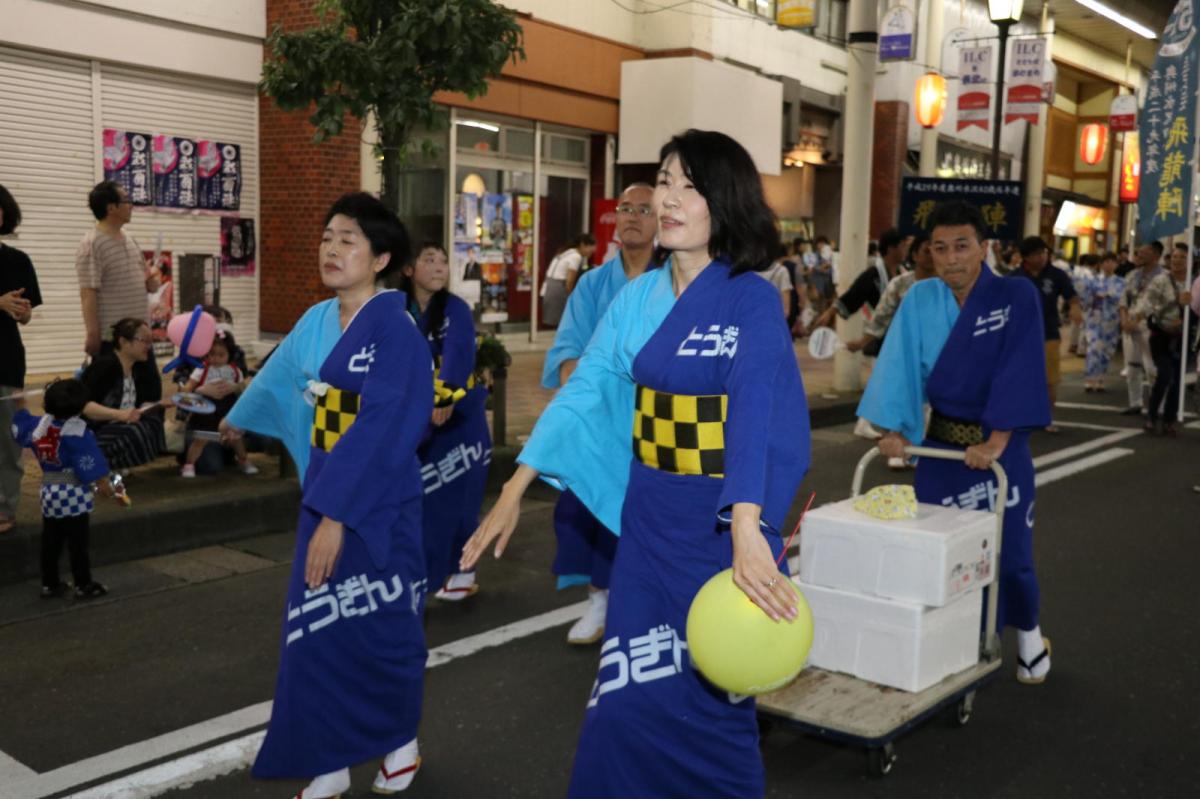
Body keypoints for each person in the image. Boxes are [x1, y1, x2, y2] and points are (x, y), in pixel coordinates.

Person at [462, 129, 811, 797]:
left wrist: (746, 527)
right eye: (665, 183)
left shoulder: (750, 297)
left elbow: (756, 411)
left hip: (721, 526)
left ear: (725, 202)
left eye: (690, 187)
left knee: (718, 710)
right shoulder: (635, 298)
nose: (668, 200)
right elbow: (586, 388)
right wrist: (515, 483)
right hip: (648, 522)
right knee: (623, 703)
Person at [220, 193, 431, 798]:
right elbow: (282, 374)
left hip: (376, 500)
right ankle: (330, 761)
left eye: (348, 240)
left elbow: (386, 426)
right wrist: (239, 416)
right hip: (327, 487)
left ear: (381, 258)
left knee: (382, 626)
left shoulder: (396, 330)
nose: (331, 250)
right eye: (327, 237)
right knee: (315, 631)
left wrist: (337, 515)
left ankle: (401, 742)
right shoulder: (318, 318)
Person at [860, 199, 1053, 685]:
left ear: (984, 247)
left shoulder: (1015, 295)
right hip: (942, 449)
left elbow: (1020, 367)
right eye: (940, 248)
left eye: (962, 246)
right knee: (941, 556)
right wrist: (894, 430)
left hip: (999, 449)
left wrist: (997, 441)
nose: (951, 258)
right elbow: (900, 364)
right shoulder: (920, 298)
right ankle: (952, 640)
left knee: (1010, 554)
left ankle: (1029, 634)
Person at [540, 182, 657, 645]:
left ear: (661, 220)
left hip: (656, 422)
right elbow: (569, 350)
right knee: (587, 511)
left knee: (650, 516)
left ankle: (647, 603)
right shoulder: (592, 284)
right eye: (625, 208)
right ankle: (599, 600)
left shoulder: (678, 280)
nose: (632, 216)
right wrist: (584, 390)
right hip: (600, 420)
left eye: (644, 209)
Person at [399, 241, 492, 602]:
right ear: (409, 269)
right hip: (413, 419)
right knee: (419, 503)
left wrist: (445, 395)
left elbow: (458, 352)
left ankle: (463, 571)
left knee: (459, 500)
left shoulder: (455, 308)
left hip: (458, 418)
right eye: (429, 259)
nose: (440, 267)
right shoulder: (395, 308)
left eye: (443, 261)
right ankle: (419, 572)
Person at [11, 379, 114, 599]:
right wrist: (103, 483)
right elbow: (89, 462)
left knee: (51, 539)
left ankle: (50, 583)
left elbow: (21, 427)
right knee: (78, 543)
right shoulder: (76, 432)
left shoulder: (41, 426)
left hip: (49, 492)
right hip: (72, 492)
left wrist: (20, 404)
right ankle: (83, 584)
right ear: (80, 407)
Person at [1, 183, 43, 535]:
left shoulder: (17, 260)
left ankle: (5, 508)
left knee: (7, 442)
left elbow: (26, 315)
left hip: (6, 359)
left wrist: (22, 311)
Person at [1007, 235, 1081, 432]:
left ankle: (1046, 418)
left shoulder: (1056, 274)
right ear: (1025, 257)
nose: (1042, 257)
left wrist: (1075, 309)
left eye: (1044, 252)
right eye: (1037, 254)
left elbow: (1072, 296)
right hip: (1020, 335)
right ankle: (1020, 416)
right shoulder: (1014, 277)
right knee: (1020, 378)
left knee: (1049, 379)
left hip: (1048, 332)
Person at [76, 181, 151, 359]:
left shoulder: (130, 238)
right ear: (111, 208)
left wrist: (151, 282)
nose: (131, 205)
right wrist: (93, 334)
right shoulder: (92, 244)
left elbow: (144, 280)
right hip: (114, 339)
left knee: (148, 379)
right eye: (126, 200)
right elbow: (88, 293)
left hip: (141, 336)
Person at [80, 318, 166, 472]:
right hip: (92, 430)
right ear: (124, 342)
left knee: (153, 423)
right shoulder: (105, 366)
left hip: (115, 427)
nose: (148, 346)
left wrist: (158, 405)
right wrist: (120, 415)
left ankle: (108, 467)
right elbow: (84, 406)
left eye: (150, 341)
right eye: (144, 341)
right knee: (136, 432)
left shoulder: (137, 369)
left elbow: (134, 408)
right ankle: (92, 466)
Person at [1127, 243, 1193, 436]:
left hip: (1183, 338)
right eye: (1174, 257)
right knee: (1164, 375)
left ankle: (1169, 421)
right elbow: (1148, 303)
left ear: (1190, 260)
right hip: (1161, 335)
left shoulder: (1194, 283)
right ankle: (1152, 415)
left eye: (1182, 257)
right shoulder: (1161, 281)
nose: (1177, 260)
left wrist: (1190, 308)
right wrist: (1136, 315)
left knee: (1177, 380)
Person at [179, 331, 257, 477]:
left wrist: (237, 387)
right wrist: (198, 390)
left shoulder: (235, 370)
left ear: (230, 355)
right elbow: (187, 388)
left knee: (235, 437)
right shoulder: (201, 369)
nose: (216, 358)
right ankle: (189, 465)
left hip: (227, 409)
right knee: (201, 438)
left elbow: (242, 388)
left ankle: (243, 460)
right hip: (205, 410)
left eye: (221, 355)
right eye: (212, 354)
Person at [1118, 241, 1165, 415]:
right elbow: (1123, 300)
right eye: (1139, 252)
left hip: (1151, 326)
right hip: (1130, 325)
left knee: (1152, 367)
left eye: (1144, 252)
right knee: (1132, 365)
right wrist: (1124, 320)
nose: (1138, 255)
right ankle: (1135, 402)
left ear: (1155, 255)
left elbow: (1161, 304)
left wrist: (1137, 320)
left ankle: (1157, 406)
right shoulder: (1132, 275)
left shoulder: (1164, 277)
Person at [1076, 252, 1125, 392]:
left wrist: (1109, 295)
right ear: (1101, 264)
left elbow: (1123, 300)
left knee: (1107, 351)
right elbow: (1085, 298)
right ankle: (1090, 379)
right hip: (1094, 319)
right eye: (1106, 262)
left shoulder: (1121, 281)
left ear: (1116, 264)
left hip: (1112, 320)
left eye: (1112, 262)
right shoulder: (1093, 280)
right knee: (1093, 349)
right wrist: (1092, 297)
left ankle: (1101, 378)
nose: (1109, 264)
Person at [541, 233, 597, 327]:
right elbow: (569, 282)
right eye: (590, 251)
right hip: (558, 291)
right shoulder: (576, 256)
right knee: (564, 322)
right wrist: (572, 298)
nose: (590, 254)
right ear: (583, 245)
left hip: (548, 288)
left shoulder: (566, 252)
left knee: (556, 323)